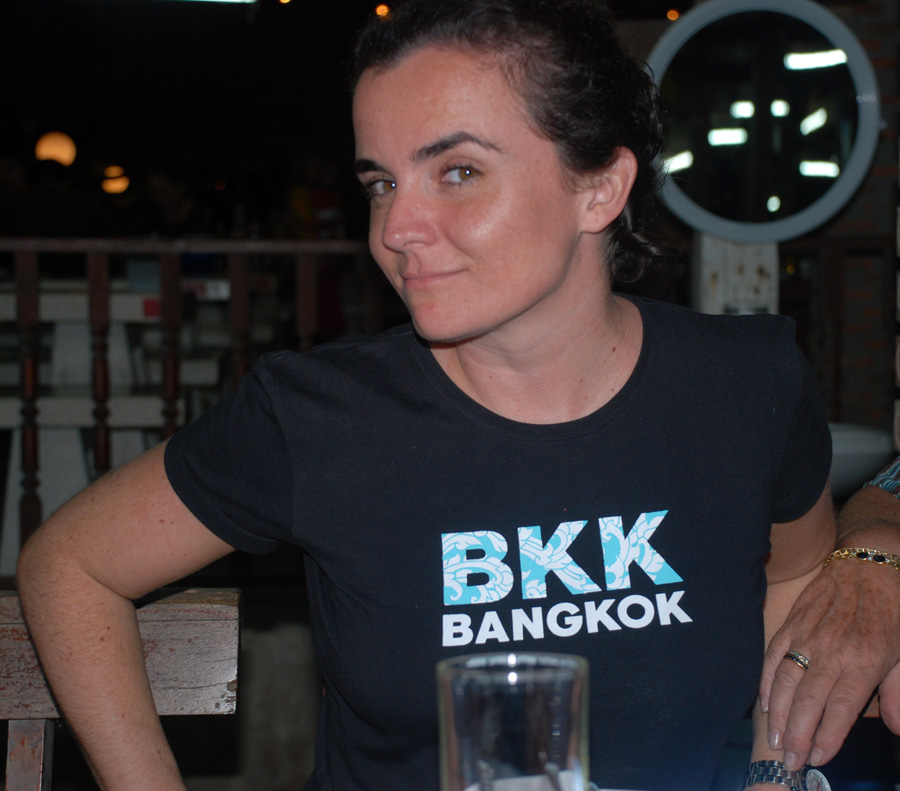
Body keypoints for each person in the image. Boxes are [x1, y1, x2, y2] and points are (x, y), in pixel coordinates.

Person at [13, 1, 900, 789]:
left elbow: (796, 579)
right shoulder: (317, 416)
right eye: (381, 183)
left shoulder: (747, 382)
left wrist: (776, 768)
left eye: (459, 171)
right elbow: (71, 564)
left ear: (600, 188)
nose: (396, 228)